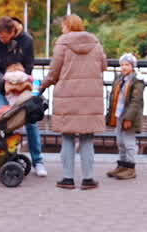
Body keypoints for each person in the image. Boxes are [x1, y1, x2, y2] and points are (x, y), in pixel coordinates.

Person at [40, 14, 106, 190]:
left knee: (67, 137)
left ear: (68, 26)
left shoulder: (62, 44)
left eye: (63, 25)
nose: (62, 29)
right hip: (91, 96)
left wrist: (42, 86)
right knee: (87, 138)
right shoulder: (96, 43)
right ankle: (88, 179)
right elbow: (104, 65)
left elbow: (54, 72)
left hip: (67, 96)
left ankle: (68, 178)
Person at [0, 16, 45, 176]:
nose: (2, 40)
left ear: (13, 32)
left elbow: (29, 65)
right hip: (1, 89)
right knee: (5, 123)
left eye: (5, 37)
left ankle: (38, 161)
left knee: (31, 123)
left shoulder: (26, 40)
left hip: (22, 89)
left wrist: (18, 80)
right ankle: (7, 161)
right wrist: (4, 81)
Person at [105, 53, 144, 180]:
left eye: (127, 65)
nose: (124, 67)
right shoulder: (119, 78)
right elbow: (113, 97)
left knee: (129, 142)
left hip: (129, 116)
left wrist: (129, 118)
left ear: (133, 66)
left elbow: (135, 101)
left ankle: (130, 167)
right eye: (122, 65)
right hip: (118, 114)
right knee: (120, 142)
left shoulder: (137, 80)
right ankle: (122, 165)